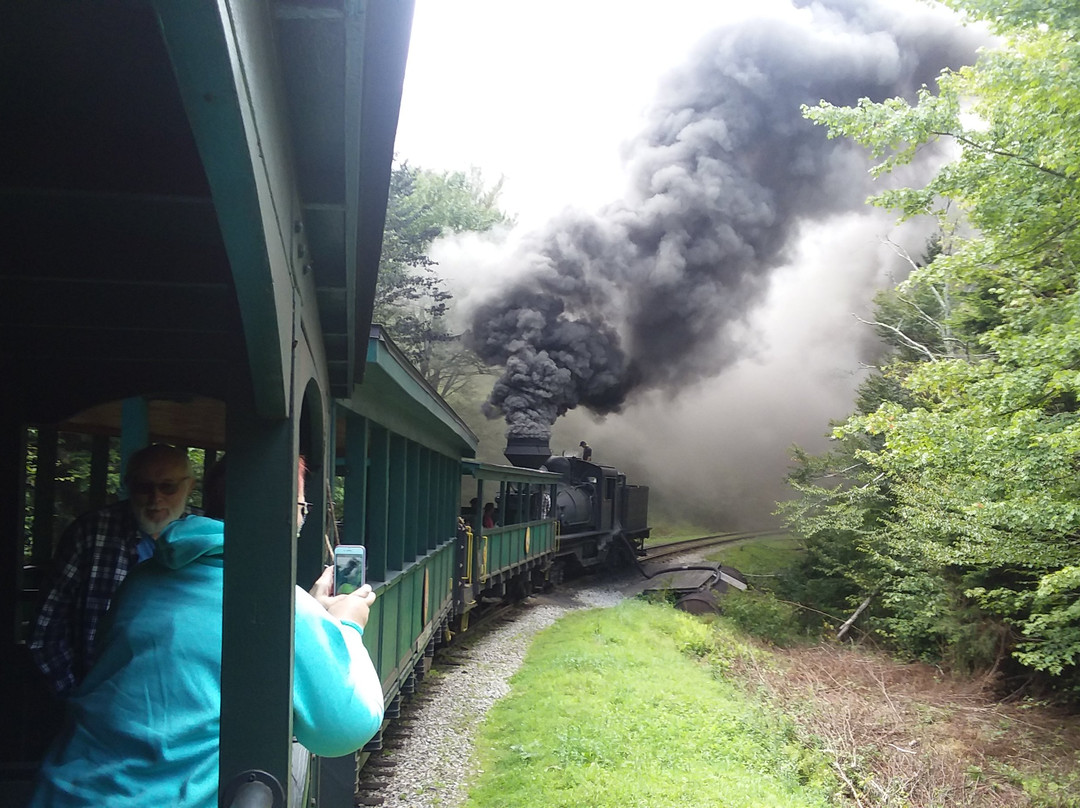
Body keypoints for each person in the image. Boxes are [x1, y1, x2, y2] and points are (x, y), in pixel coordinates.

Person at [29, 457, 384, 807]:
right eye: (302, 508)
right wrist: (346, 625)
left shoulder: (142, 580)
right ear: (283, 510)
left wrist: (313, 615)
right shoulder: (284, 605)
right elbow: (346, 728)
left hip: (63, 790)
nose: (302, 519)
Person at [29, 443, 197, 696]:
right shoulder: (90, 533)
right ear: (129, 486)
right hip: (100, 698)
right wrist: (76, 697)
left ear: (189, 486)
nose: (155, 498)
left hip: (181, 699)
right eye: (143, 487)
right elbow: (46, 629)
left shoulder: (209, 539)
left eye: (168, 486)